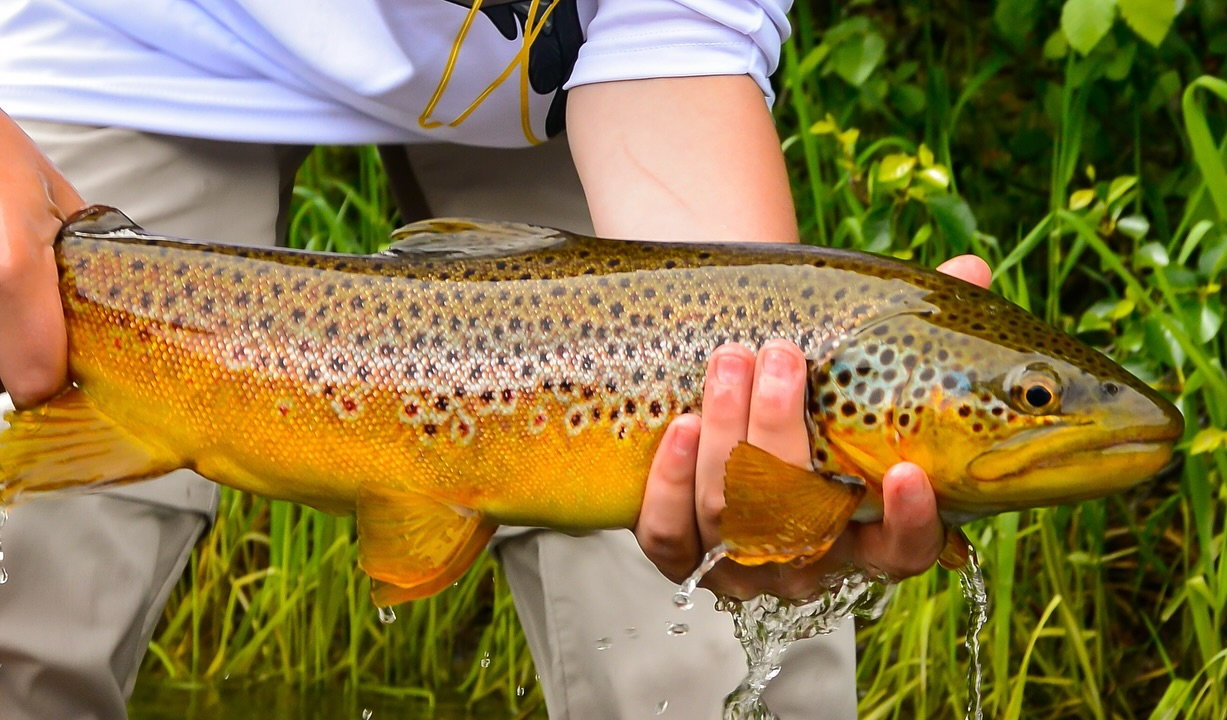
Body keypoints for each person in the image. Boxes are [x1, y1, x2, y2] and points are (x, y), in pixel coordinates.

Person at [0, 2, 992, 719]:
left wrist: (759, 460)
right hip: (123, 37)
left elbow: (677, 49)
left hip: (575, 74)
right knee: (23, 601)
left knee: (721, 673)